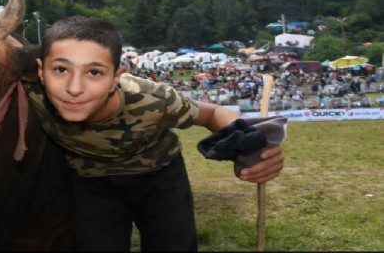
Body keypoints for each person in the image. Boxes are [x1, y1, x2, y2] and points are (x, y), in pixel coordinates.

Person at [23, 16, 285, 251]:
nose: (74, 88)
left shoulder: (153, 99)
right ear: (40, 71)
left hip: (159, 179)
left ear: (116, 77)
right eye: (60, 69)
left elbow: (211, 114)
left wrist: (249, 147)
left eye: (94, 72)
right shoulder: (29, 92)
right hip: (91, 182)